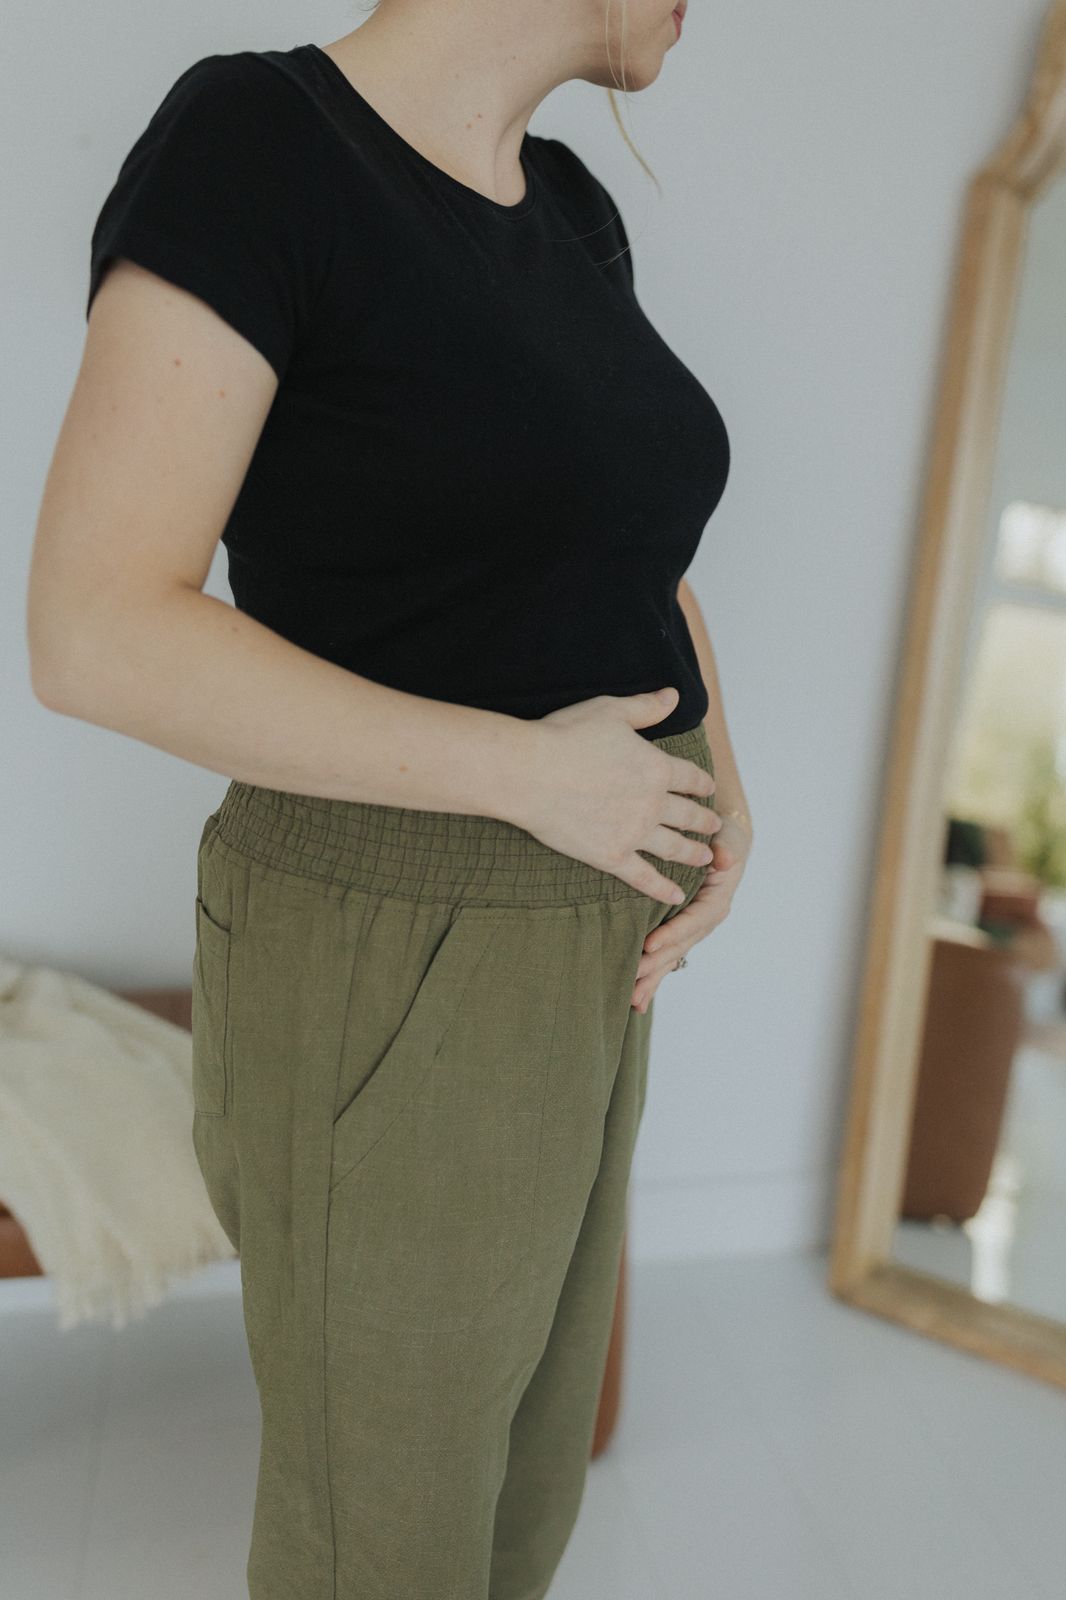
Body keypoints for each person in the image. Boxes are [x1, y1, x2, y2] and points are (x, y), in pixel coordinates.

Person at [27, 0, 753, 1593]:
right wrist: (534, 777)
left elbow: (628, 550)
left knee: (515, 1515)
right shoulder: (257, 143)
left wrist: (721, 787)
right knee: (387, 1545)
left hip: (585, 942)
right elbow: (92, 630)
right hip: (397, 940)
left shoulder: (567, 206)